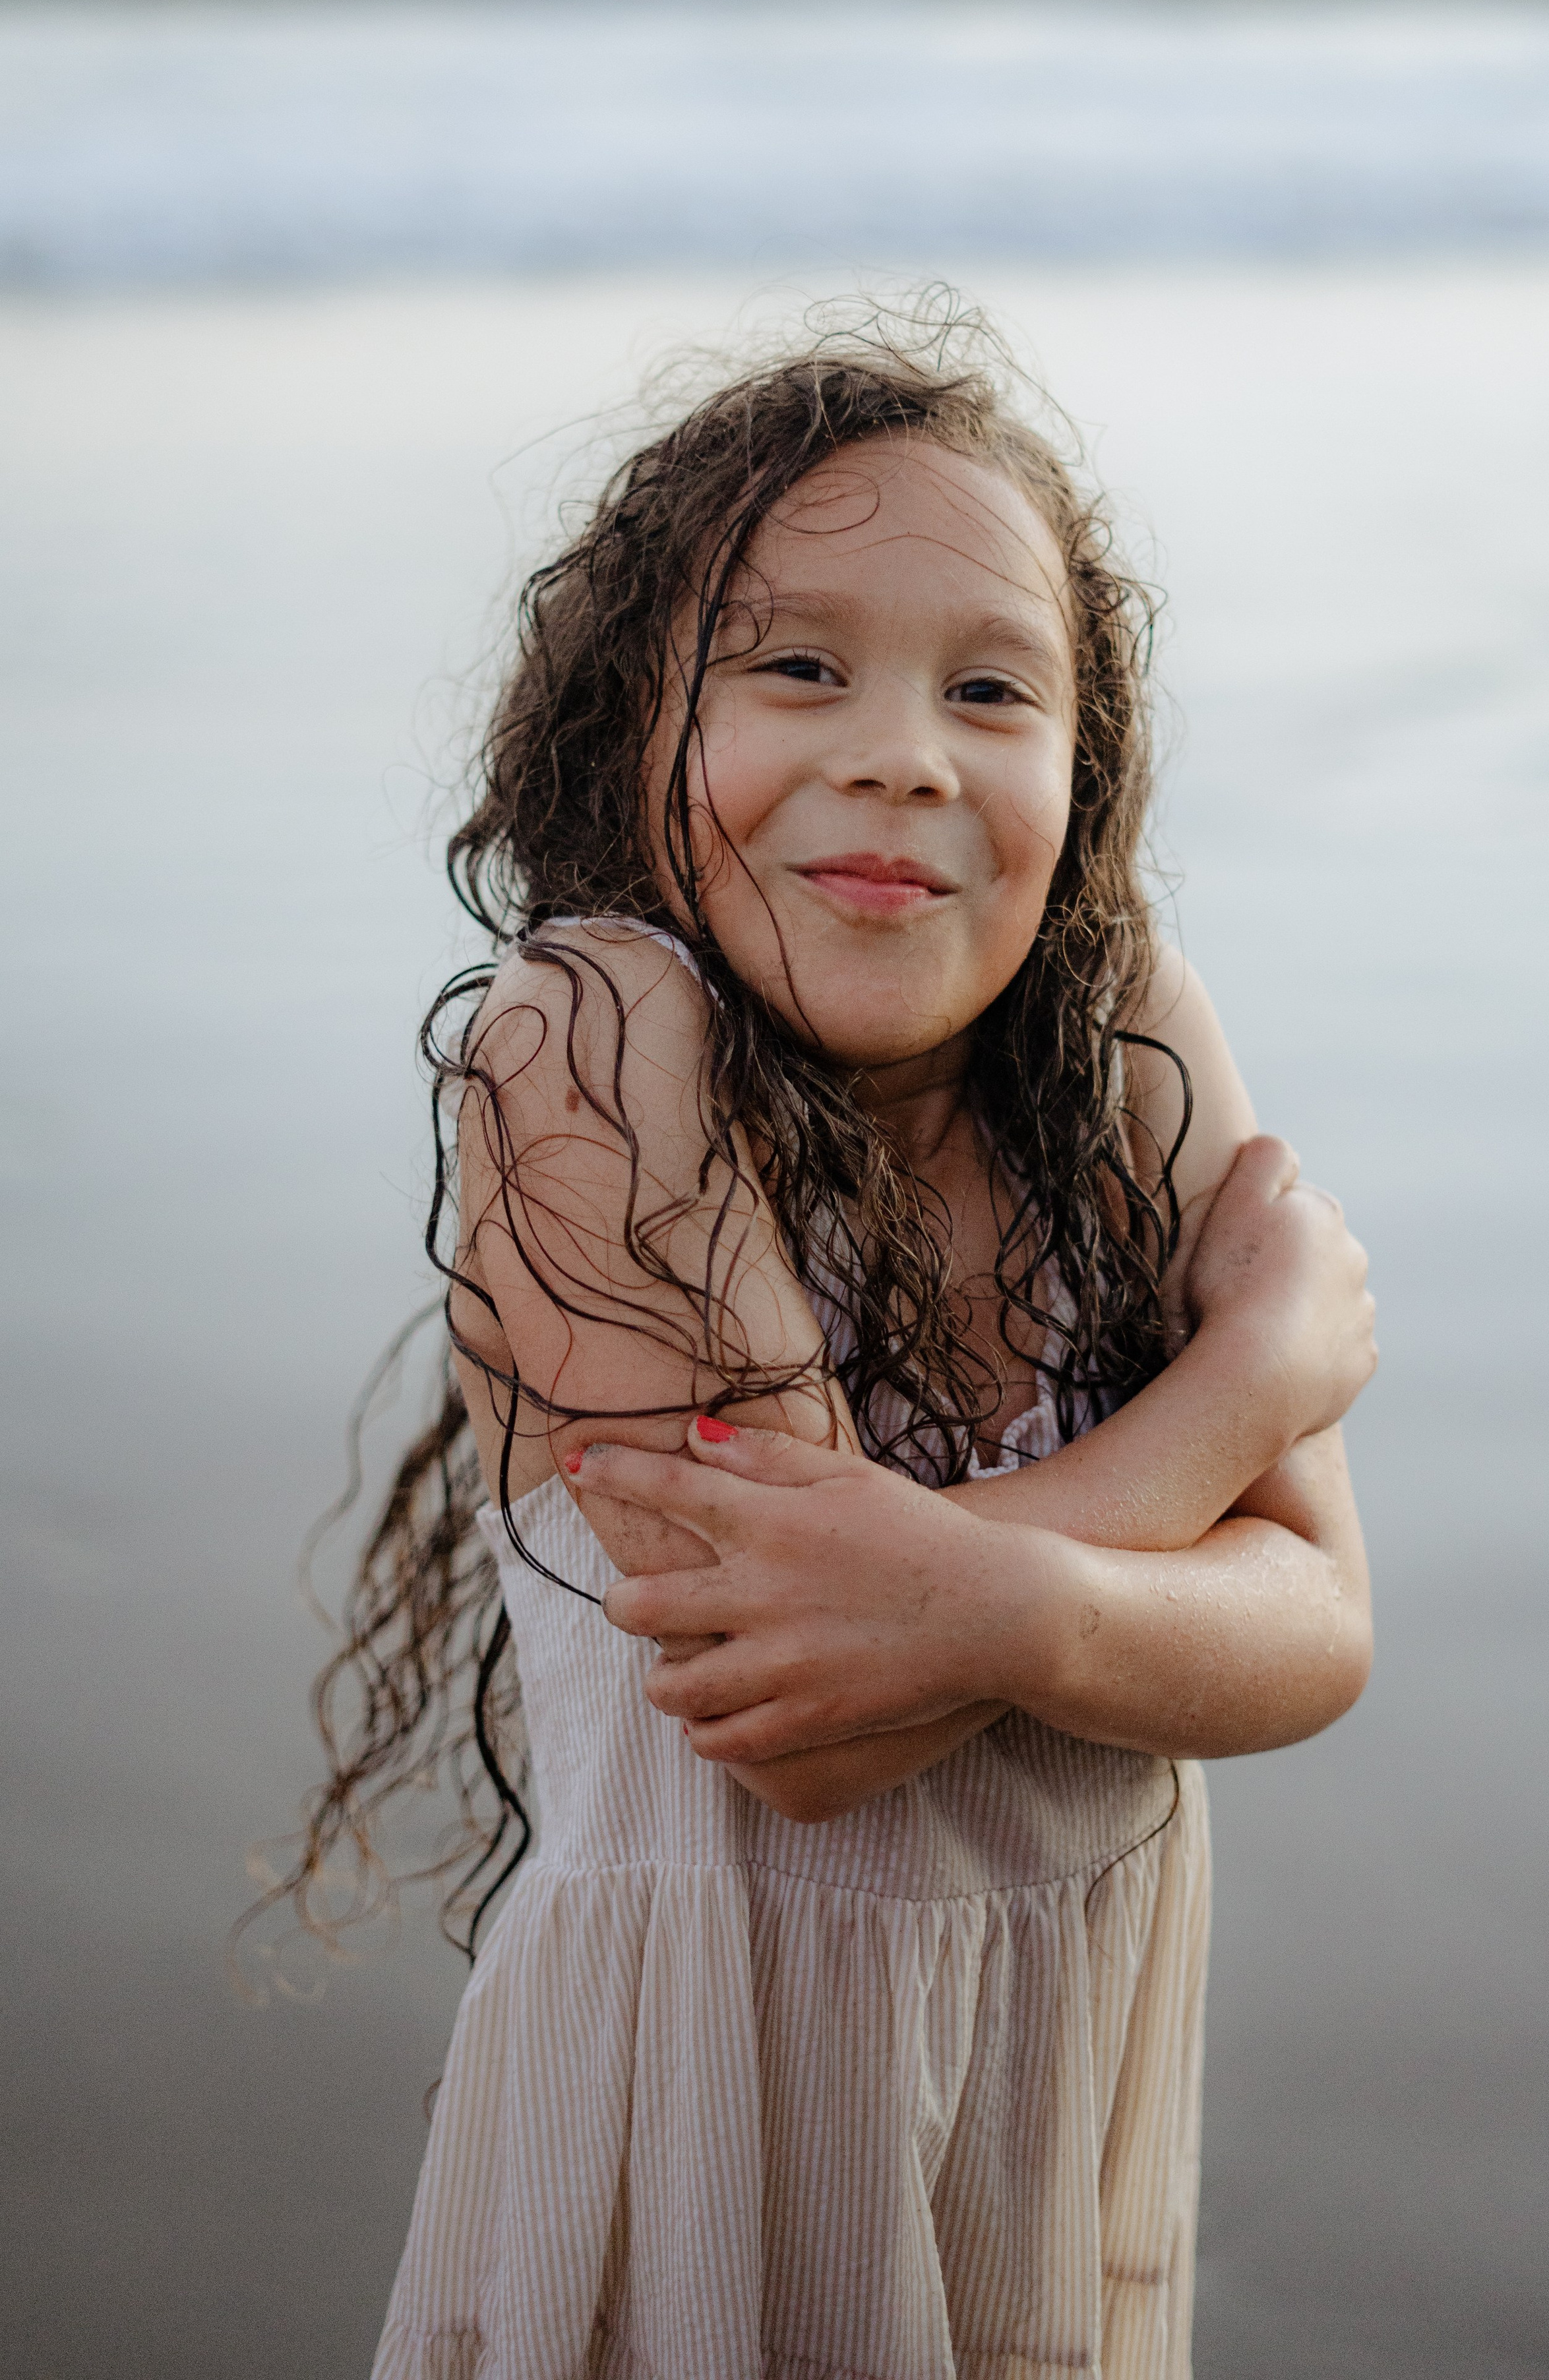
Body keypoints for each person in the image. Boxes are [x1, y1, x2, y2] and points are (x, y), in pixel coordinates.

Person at [299, 306, 1375, 2380]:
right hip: (704, 2135)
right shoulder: (597, 1039)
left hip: (1046, 2118)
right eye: (800, 666)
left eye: (993, 688)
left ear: (1086, 766)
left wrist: (972, 1592)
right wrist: (1246, 1383)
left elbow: (1318, 1626)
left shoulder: (1122, 1020)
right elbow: (818, 1730)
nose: (904, 749)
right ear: (634, 720)